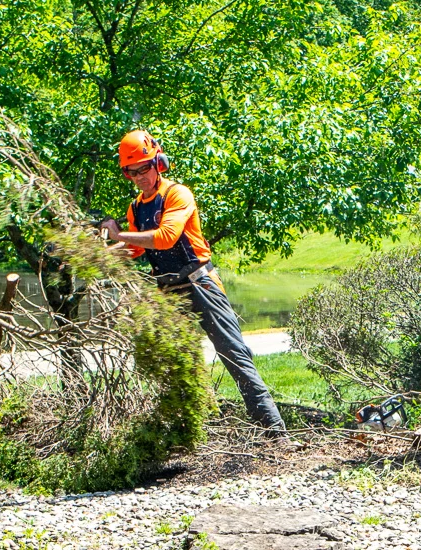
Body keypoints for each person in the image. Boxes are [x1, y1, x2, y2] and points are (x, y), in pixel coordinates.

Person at [101, 130, 288, 437]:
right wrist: (105, 247)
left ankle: (274, 431)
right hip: (168, 291)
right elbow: (135, 250)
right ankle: (191, 432)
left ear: (158, 163)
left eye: (144, 168)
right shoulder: (136, 208)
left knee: (232, 352)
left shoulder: (177, 194)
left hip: (200, 284)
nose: (139, 177)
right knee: (176, 359)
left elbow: (164, 238)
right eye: (131, 172)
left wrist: (120, 235)